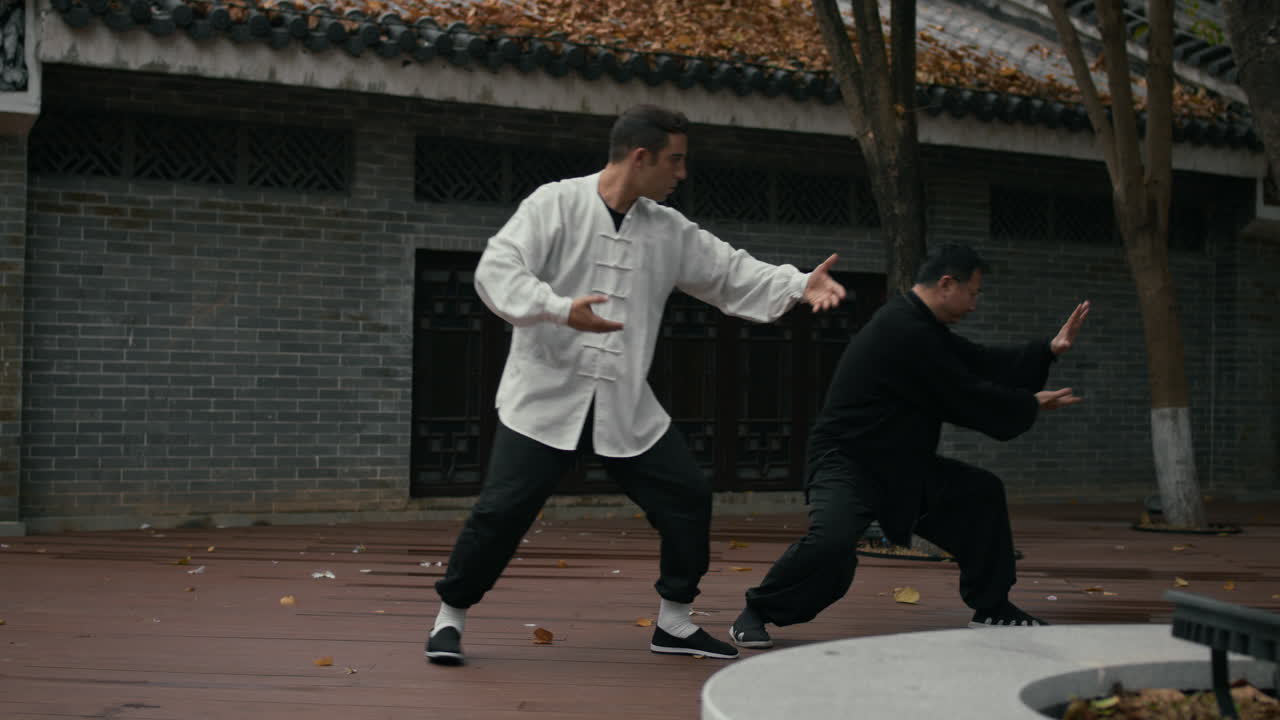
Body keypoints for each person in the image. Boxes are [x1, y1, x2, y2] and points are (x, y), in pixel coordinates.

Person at [424, 104, 848, 665]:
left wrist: (797, 284)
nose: (682, 174)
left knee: (687, 498)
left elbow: (729, 271)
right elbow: (496, 270)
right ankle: (450, 617)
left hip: (624, 403)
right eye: (675, 161)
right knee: (501, 513)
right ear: (641, 156)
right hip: (544, 398)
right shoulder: (556, 204)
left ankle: (674, 621)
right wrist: (558, 308)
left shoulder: (668, 230)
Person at [729, 243, 1090, 649]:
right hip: (847, 461)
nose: (975, 304)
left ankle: (993, 607)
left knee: (980, 494)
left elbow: (976, 360)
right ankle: (756, 611)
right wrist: (1029, 404)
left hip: (901, 465)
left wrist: (1047, 351)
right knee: (832, 542)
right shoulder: (904, 329)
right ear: (947, 284)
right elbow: (962, 393)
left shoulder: (922, 326)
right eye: (973, 293)